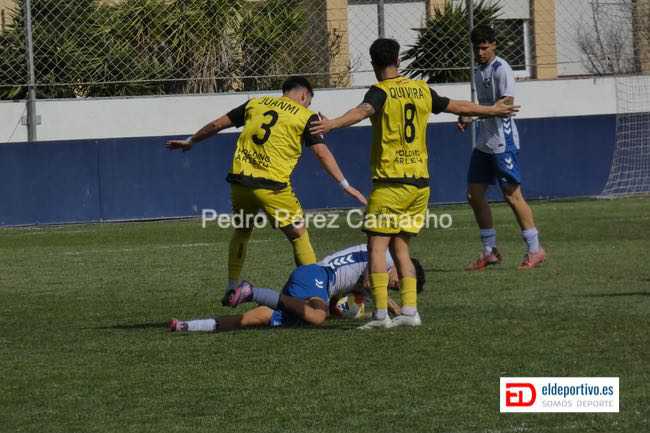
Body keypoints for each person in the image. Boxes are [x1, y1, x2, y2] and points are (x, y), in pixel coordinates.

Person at [309, 38, 519, 329]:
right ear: (398, 60)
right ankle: (409, 310)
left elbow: (364, 110)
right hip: (419, 185)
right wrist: (493, 110)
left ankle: (380, 315)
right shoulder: (421, 89)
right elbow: (456, 105)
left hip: (391, 183)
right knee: (401, 248)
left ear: (373, 64)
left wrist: (332, 124)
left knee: (376, 248)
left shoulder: (380, 92)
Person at [166, 76, 367, 293]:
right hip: (272, 187)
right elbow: (321, 152)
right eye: (308, 102)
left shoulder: (256, 103)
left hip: (240, 183)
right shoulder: (305, 116)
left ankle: (232, 286)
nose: (308, 106)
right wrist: (345, 185)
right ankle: (314, 290)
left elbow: (217, 124)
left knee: (242, 231)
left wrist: (191, 140)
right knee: (299, 234)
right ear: (303, 96)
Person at [167, 243, 426, 332]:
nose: (395, 284)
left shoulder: (380, 263)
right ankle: (252, 291)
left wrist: (341, 309)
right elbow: (370, 283)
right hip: (316, 276)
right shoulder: (385, 257)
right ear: (404, 268)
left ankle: (187, 326)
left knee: (257, 319)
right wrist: (395, 308)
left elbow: (345, 293)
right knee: (317, 316)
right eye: (400, 281)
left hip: (314, 283)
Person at [458, 25, 545, 271]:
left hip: (502, 142)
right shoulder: (479, 71)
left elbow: (505, 106)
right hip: (484, 142)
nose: (480, 52)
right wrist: (469, 115)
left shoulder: (501, 69)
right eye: (477, 48)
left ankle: (535, 249)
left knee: (512, 196)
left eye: (484, 47)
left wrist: (472, 115)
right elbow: (487, 107)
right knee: (474, 195)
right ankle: (490, 252)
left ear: (494, 45)